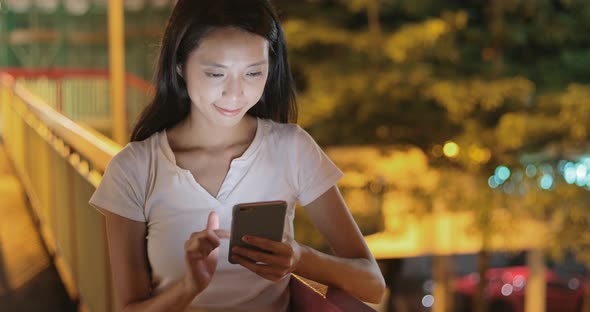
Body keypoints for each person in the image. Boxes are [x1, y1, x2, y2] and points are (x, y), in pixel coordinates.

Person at [89, 0, 385, 311]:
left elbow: (372, 285)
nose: (235, 93)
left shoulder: (292, 149)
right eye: (216, 74)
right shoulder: (134, 169)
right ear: (180, 65)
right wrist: (189, 288)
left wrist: (299, 258)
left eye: (254, 73)